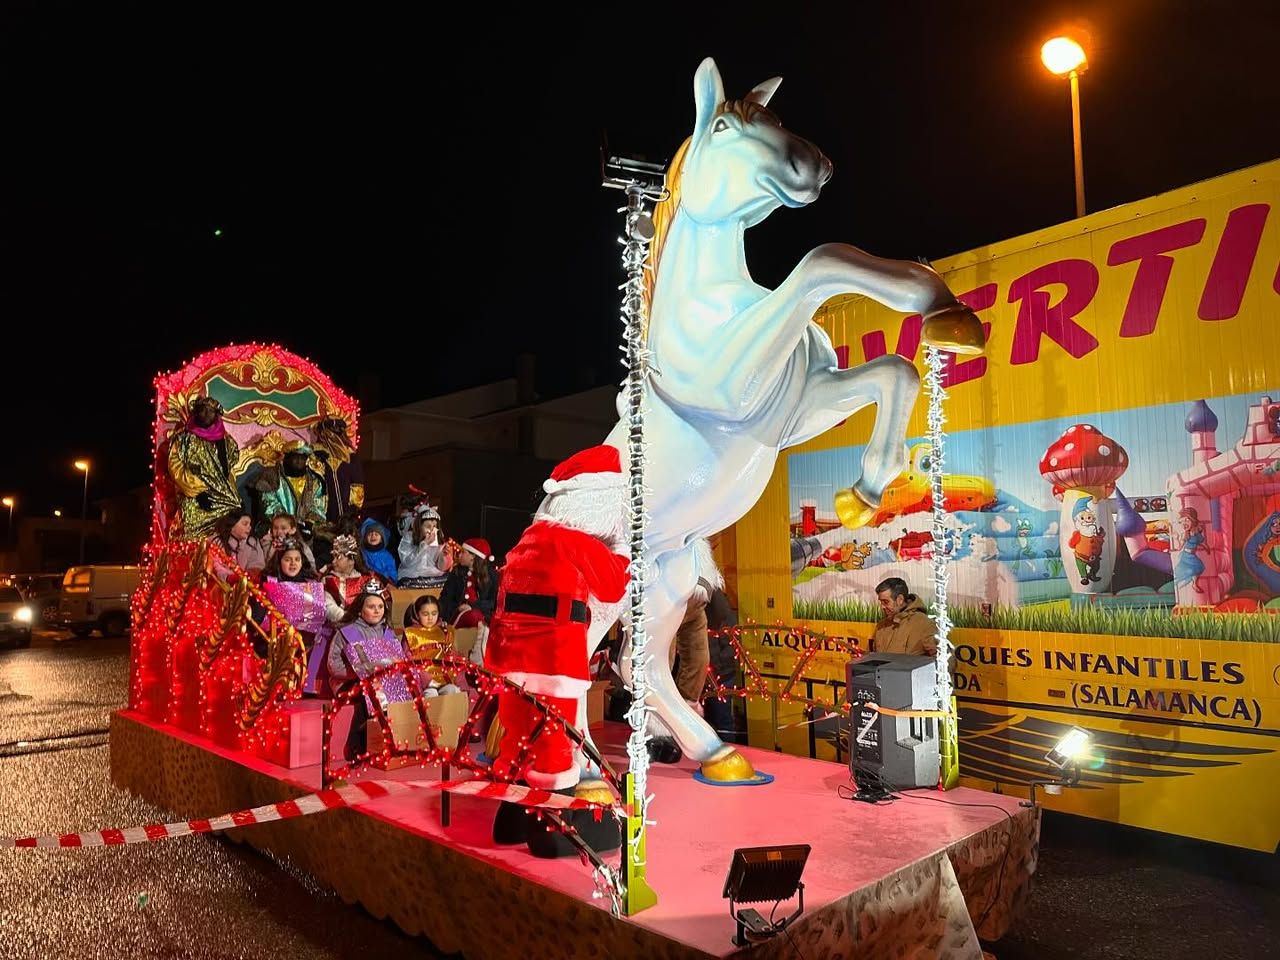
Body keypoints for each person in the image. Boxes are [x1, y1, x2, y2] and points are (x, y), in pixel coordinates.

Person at [326, 579, 409, 762]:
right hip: (349, 681)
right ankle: (357, 746)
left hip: (382, 681)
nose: (377, 610)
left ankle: (395, 742)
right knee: (368, 693)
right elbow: (333, 666)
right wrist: (356, 672)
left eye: (380, 606)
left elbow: (399, 658)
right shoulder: (346, 631)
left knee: (400, 690)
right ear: (360, 609)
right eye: (371, 606)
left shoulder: (388, 632)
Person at [167, 396, 242, 540]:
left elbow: (228, 467)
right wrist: (197, 491)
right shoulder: (183, 438)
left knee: (233, 519)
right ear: (196, 412)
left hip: (222, 493)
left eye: (211, 411)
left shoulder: (225, 440)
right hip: (194, 496)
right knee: (192, 531)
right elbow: (175, 466)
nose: (207, 414)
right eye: (203, 410)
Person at [259, 441, 328, 527]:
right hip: (279, 530)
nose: (299, 461)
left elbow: (318, 508)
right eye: (296, 457)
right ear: (287, 458)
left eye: (302, 458)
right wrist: (289, 524)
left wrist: (308, 523)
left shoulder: (315, 481)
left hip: (308, 531)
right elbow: (269, 505)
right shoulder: (271, 476)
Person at [871, 577, 937, 656]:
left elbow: (945, 659)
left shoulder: (924, 624)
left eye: (886, 602)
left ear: (900, 599)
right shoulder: (881, 626)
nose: (882, 607)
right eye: (881, 602)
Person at [397, 505, 452, 588]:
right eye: (428, 526)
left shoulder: (437, 541)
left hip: (432, 575)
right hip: (412, 575)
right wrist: (424, 545)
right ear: (419, 526)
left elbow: (442, 568)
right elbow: (407, 562)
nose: (432, 530)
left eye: (434, 526)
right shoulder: (409, 537)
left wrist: (445, 555)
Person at [211, 511, 266, 576]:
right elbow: (215, 567)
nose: (249, 527)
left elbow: (257, 565)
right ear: (232, 526)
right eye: (245, 524)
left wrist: (247, 576)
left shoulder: (253, 543)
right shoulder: (216, 542)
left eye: (250, 524)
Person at [360, 518, 398, 583]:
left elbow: (392, 573)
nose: (373, 536)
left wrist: (387, 579)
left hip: (383, 584)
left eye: (376, 534)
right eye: (370, 534)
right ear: (365, 538)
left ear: (381, 539)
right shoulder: (362, 553)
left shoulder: (387, 556)